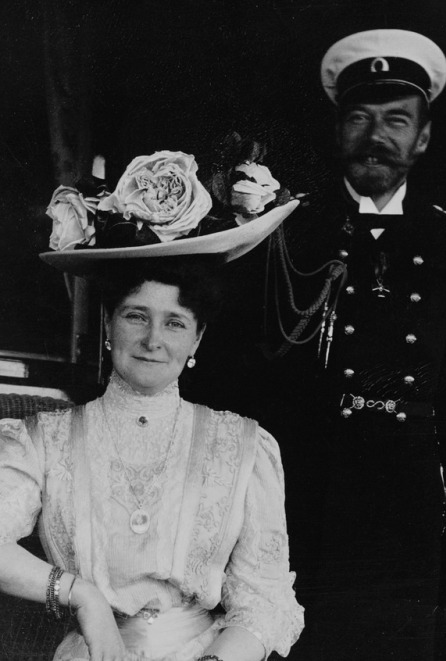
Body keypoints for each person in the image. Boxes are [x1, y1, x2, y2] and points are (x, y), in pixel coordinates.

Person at [0, 150, 303, 661]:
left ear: (198, 339)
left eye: (175, 323)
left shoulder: (244, 445)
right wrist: (84, 597)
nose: (153, 340)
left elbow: (265, 600)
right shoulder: (41, 439)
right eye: (136, 316)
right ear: (108, 326)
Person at [259, 29, 446, 660]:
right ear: (339, 131)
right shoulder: (288, 233)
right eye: (360, 118)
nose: (376, 135)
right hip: (303, 485)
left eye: (397, 120)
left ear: (422, 138)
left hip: (410, 490)